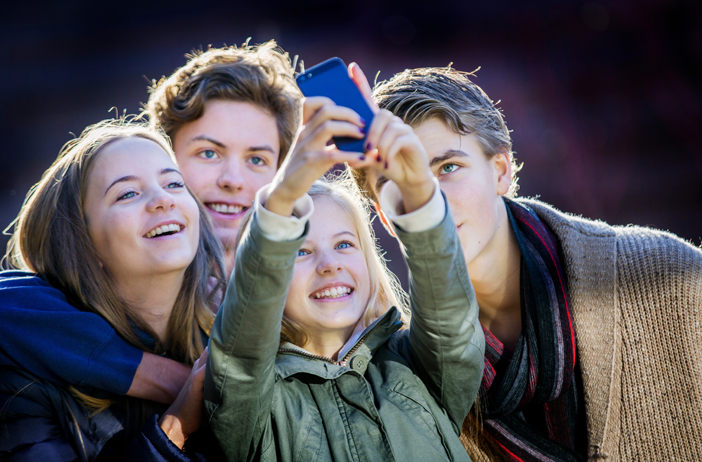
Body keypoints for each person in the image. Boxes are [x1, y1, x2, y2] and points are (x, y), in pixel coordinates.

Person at [350, 65, 702, 461]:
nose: (430, 199)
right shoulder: (407, 379)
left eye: (448, 168)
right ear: (387, 219)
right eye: (404, 182)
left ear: (500, 171)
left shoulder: (666, 274)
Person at [0, 40, 302, 407]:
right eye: (209, 153)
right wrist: (163, 377)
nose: (233, 180)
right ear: (161, 153)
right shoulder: (61, 302)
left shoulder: (307, 288)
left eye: (257, 160)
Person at [204, 93, 484, 461]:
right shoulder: (252, 400)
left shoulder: (419, 366)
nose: (329, 265)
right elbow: (242, 349)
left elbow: (448, 313)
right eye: (300, 252)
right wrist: (285, 193)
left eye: (344, 245)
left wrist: (417, 191)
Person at [0, 120, 226, 460]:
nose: (162, 200)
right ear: (82, 243)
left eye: (174, 183)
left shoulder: (230, 340)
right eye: (128, 193)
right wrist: (176, 425)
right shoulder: (25, 387)